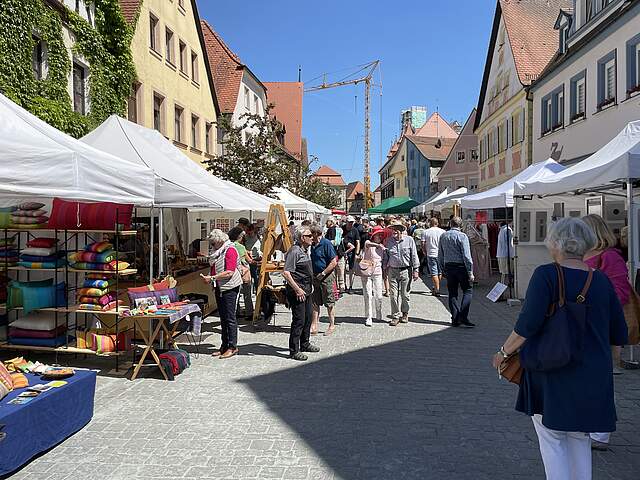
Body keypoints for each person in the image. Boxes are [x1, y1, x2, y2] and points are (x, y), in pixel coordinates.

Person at [492, 217, 628, 480]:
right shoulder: (600, 280)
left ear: (555, 243)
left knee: (552, 439)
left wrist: (503, 353)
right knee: (579, 438)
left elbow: (526, 325)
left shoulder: (547, 274)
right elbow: (618, 333)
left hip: (551, 371)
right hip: (592, 374)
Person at [582, 214, 630, 450]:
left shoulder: (609, 257)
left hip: (600, 326)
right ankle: (585, 423)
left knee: (599, 380)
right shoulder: (583, 255)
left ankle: (600, 433)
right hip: (580, 326)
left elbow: (622, 293)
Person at [201, 229, 242, 358]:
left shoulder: (230, 250)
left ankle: (232, 346)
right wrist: (210, 277)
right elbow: (215, 268)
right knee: (223, 318)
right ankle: (224, 346)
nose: (211, 246)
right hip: (220, 287)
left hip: (230, 287)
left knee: (229, 318)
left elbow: (229, 271)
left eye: (212, 243)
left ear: (219, 241)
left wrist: (212, 278)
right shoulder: (219, 251)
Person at [282, 226, 321, 361]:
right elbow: (286, 273)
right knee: (299, 320)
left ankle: (305, 343)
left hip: (307, 290)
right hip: (298, 292)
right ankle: (294, 350)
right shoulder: (295, 251)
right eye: (309, 235)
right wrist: (297, 289)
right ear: (302, 238)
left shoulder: (305, 250)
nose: (312, 237)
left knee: (308, 317)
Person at [438, 216, 475, 327]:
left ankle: (455, 318)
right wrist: (470, 271)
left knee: (452, 293)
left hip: (449, 267)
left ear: (450, 224)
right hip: (461, 267)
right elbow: (467, 256)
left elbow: (440, 254)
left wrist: (442, 268)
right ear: (460, 225)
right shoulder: (462, 236)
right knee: (467, 291)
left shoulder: (443, 235)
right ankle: (463, 316)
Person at [383, 220, 419, 325]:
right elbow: (386, 256)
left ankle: (405, 313)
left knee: (405, 295)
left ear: (401, 230)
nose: (394, 231)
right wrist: (384, 268)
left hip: (406, 270)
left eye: (396, 229)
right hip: (393, 270)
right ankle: (395, 316)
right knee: (393, 295)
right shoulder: (389, 241)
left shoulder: (409, 240)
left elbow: (414, 255)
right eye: (393, 229)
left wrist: (416, 270)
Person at [310, 224, 339, 336]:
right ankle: (314, 325)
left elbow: (333, 262)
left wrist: (323, 273)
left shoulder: (326, 244)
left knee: (329, 302)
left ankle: (331, 325)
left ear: (318, 234)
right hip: (315, 276)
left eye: (312, 234)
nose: (311, 237)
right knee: (315, 302)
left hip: (326, 277)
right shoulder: (312, 245)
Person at [361, 226, 386, 326]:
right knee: (368, 294)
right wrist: (378, 245)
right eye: (378, 234)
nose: (380, 236)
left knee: (379, 295)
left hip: (378, 272)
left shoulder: (382, 246)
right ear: (374, 235)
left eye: (381, 235)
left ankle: (378, 311)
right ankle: (369, 316)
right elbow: (368, 244)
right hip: (367, 272)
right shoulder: (368, 243)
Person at [228, 227, 254, 320]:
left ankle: (236, 312)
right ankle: (249, 312)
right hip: (244, 271)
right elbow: (249, 260)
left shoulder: (229, 246)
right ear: (240, 236)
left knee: (236, 294)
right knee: (247, 294)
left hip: (234, 272)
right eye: (243, 236)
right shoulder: (241, 247)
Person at [421, 218, 446, 296]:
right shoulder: (443, 232)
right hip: (440, 254)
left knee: (434, 272)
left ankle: (437, 289)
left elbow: (422, 243)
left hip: (431, 253)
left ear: (429, 223)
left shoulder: (425, 232)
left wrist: (424, 251)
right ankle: (436, 287)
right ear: (437, 223)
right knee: (439, 271)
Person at [343, 216, 360, 292]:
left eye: (352, 222)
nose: (351, 224)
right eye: (349, 222)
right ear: (346, 222)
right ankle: (344, 285)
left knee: (351, 269)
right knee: (343, 269)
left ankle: (350, 286)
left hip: (352, 252)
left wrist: (357, 253)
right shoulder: (342, 228)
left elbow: (357, 242)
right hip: (343, 251)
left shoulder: (355, 230)